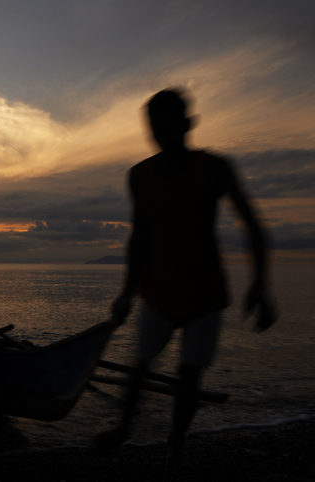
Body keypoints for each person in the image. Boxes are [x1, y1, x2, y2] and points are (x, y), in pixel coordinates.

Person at [94, 88, 277, 466]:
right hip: (158, 291)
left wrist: (260, 285)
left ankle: (176, 443)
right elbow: (140, 237)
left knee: (189, 377)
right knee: (141, 365)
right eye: (156, 129)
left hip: (205, 294)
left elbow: (253, 226)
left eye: (170, 127)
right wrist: (127, 293)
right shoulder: (140, 175)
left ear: (188, 125)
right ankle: (125, 429)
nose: (163, 136)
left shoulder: (213, 168)